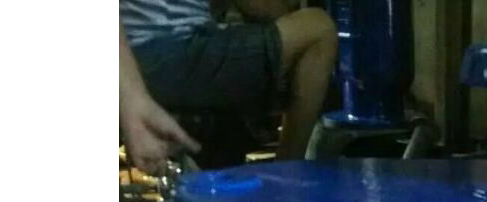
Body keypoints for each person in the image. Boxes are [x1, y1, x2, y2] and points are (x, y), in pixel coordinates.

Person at [119, 1, 337, 170]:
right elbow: (263, 7)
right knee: (318, 29)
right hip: (165, 50)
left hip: (141, 58)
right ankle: (287, 172)